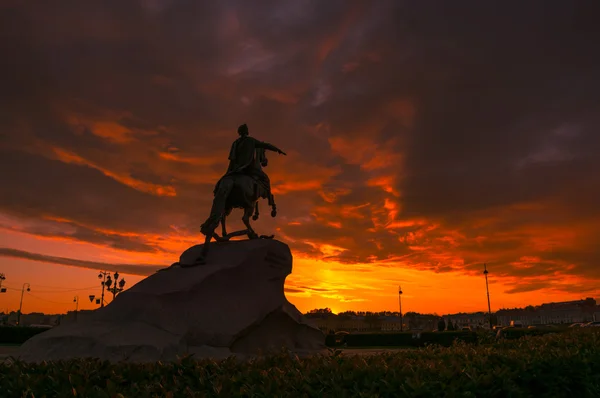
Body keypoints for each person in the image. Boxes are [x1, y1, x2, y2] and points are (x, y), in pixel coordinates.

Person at [217, 124, 286, 201]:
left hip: (234, 169)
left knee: (223, 180)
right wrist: (277, 150)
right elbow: (265, 145)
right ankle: (269, 199)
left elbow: (232, 158)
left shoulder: (235, 143)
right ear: (247, 132)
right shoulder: (251, 141)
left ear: (239, 132)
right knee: (265, 179)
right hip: (247, 168)